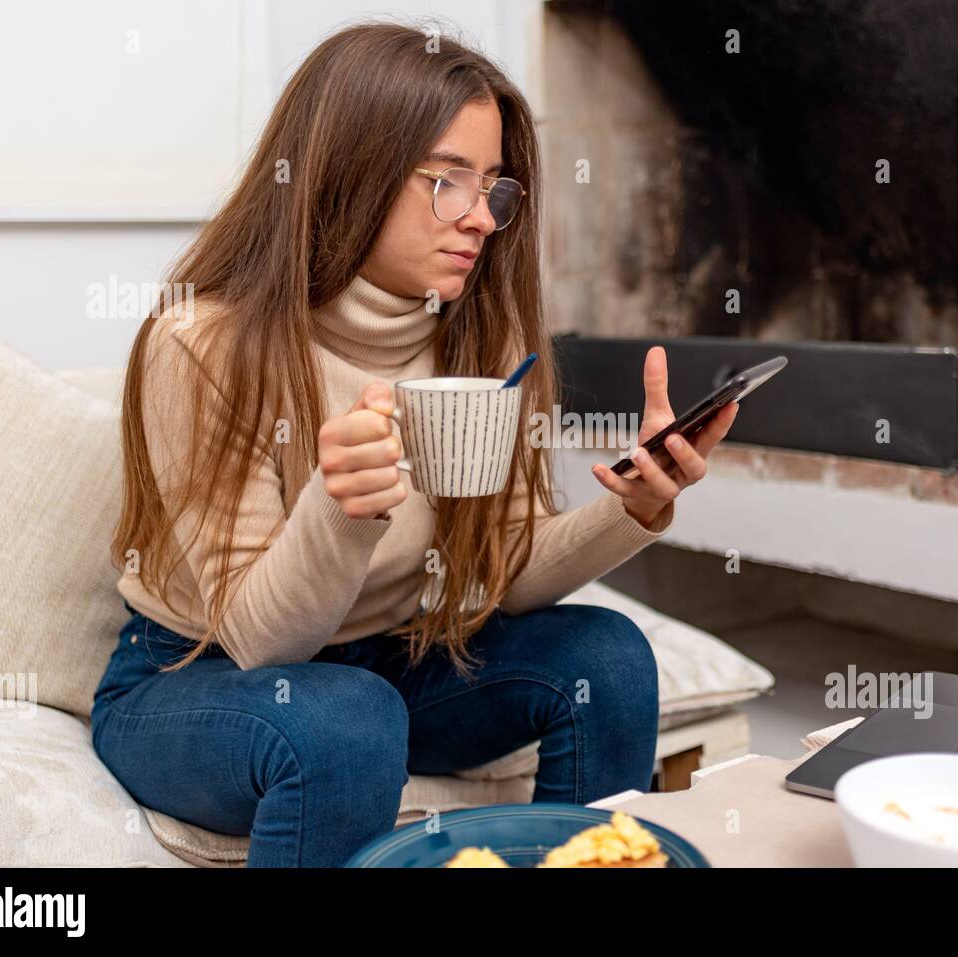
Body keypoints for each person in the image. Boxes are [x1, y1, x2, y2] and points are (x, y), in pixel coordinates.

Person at [90, 22, 739, 867]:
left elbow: (504, 570)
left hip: (396, 659)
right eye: (448, 183)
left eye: (496, 189)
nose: (482, 219)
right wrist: (342, 505)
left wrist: (639, 506)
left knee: (608, 655)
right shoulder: (204, 345)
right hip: (197, 677)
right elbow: (259, 641)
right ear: (347, 174)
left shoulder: (483, 339)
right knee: (345, 715)